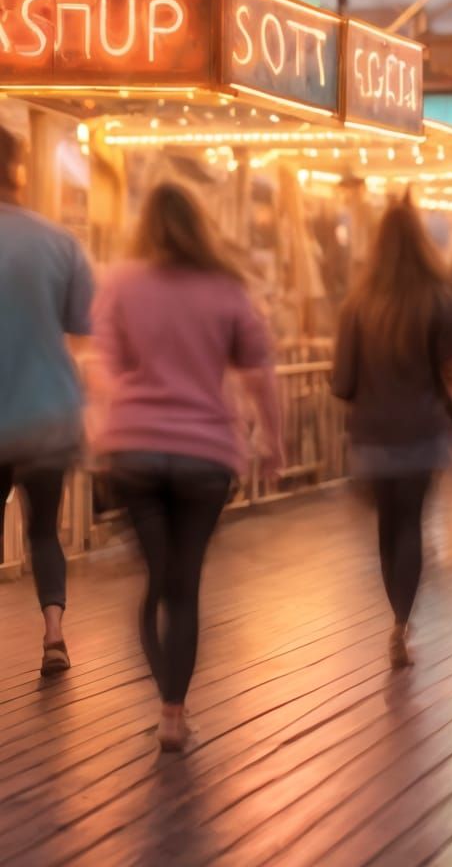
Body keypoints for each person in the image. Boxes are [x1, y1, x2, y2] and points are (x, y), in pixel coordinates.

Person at [92, 182, 285, 753]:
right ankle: (175, 713)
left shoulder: (122, 284)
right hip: (206, 454)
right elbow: (258, 371)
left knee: (158, 580)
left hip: (136, 449)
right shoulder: (227, 289)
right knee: (187, 586)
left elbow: (107, 366)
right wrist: (272, 439)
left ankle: (165, 703)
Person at [331, 199, 452, 671]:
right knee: (412, 527)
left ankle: (396, 617)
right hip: (423, 434)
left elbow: (342, 383)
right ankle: (402, 623)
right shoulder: (441, 301)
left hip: (373, 434)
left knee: (388, 528)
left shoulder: (357, 305)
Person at [0, 124, 93, 678]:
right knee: (43, 530)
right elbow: (83, 325)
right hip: (48, 416)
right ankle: (54, 634)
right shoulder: (58, 241)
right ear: (19, 170)